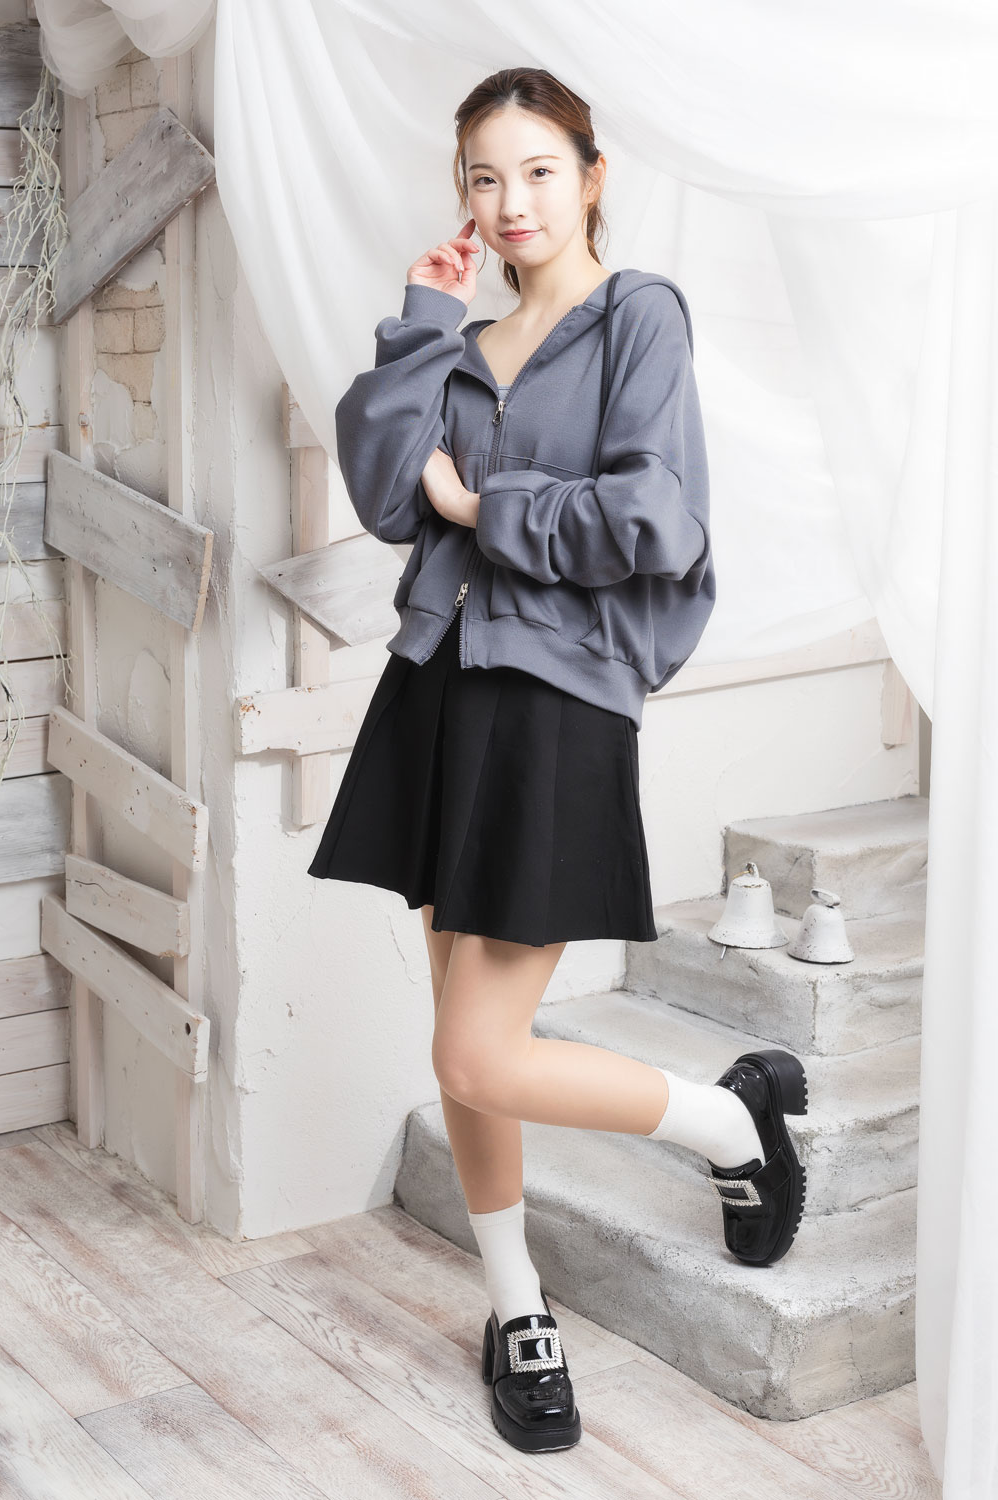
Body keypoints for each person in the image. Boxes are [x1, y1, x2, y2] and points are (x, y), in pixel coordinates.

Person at [308, 66, 808, 1453]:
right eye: (484, 176)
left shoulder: (638, 315)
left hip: (556, 701)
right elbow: (383, 494)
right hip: (436, 690)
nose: (510, 201)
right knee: (460, 1038)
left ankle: (730, 1124)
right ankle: (515, 1303)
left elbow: (656, 520)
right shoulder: (464, 338)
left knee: (476, 1050)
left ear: (592, 176)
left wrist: (489, 507)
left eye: (537, 170)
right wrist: (420, 324)